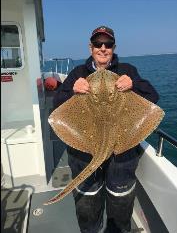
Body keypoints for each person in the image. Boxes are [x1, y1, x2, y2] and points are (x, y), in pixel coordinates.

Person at [53, 26, 159, 233]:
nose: (103, 48)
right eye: (98, 44)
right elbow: (57, 105)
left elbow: (153, 98)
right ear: (90, 47)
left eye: (108, 44)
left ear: (113, 47)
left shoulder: (127, 70)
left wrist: (134, 84)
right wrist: (72, 91)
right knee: (87, 203)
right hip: (84, 152)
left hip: (122, 153)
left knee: (120, 204)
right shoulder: (78, 73)